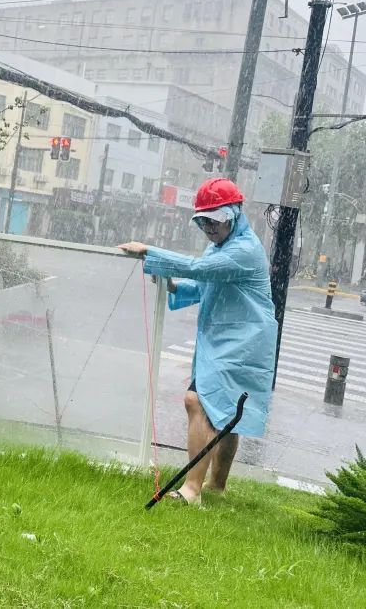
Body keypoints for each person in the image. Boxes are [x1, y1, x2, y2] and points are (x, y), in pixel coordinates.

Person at [119, 178, 277, 505]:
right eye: (203, 221)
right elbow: (204, 283)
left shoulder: (244, 250)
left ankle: (191, 490)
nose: (209, 227)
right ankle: (216, 485)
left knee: (197, 401)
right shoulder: (221, 247)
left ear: (235, 214)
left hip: (242, 342)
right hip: (228, 340)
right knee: (229, 413)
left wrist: (150, 252)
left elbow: (199, 268)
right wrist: (173, 286)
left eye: (215, 220)